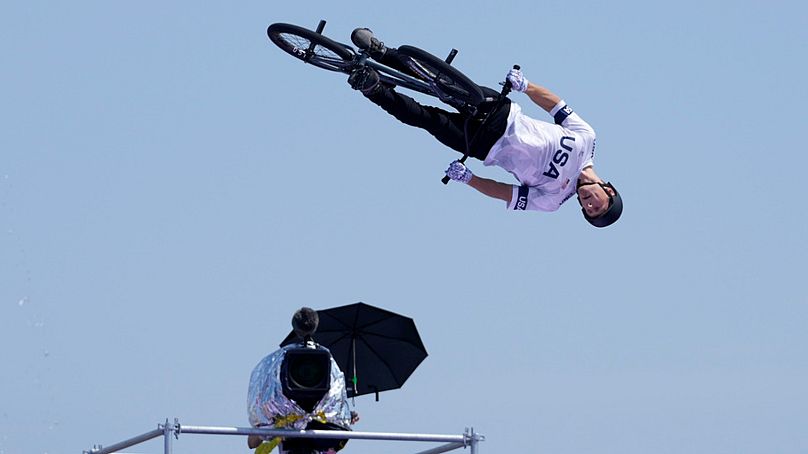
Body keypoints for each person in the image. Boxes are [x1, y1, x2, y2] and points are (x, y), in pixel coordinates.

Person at [346, 28, 623, 228]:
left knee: (425, 119)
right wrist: (526, 86)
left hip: (484, 146)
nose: (588, 204)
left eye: (588, 211)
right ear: (608, 191)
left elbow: (504, 193)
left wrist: (469, 179)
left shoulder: (553, 200)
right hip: (504, 115)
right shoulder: (587, 140)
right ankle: (382, 53)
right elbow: (555, 105)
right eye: (596, 205)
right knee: (440, 82)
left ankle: (372, 89)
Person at [247, 308, 359, 454]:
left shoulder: (280, 359)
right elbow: (253, 441)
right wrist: (339, 416)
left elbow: (252, 442)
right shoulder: (327, 359)